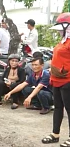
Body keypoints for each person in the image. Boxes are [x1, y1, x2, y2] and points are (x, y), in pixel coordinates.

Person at [41, 13, 70, 146]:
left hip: (67, 80)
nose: (58, 31)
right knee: (58, 107)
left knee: (69, 109)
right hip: (56, 79)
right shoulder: (63, 41)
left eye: (61, 28)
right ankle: (55, 133)